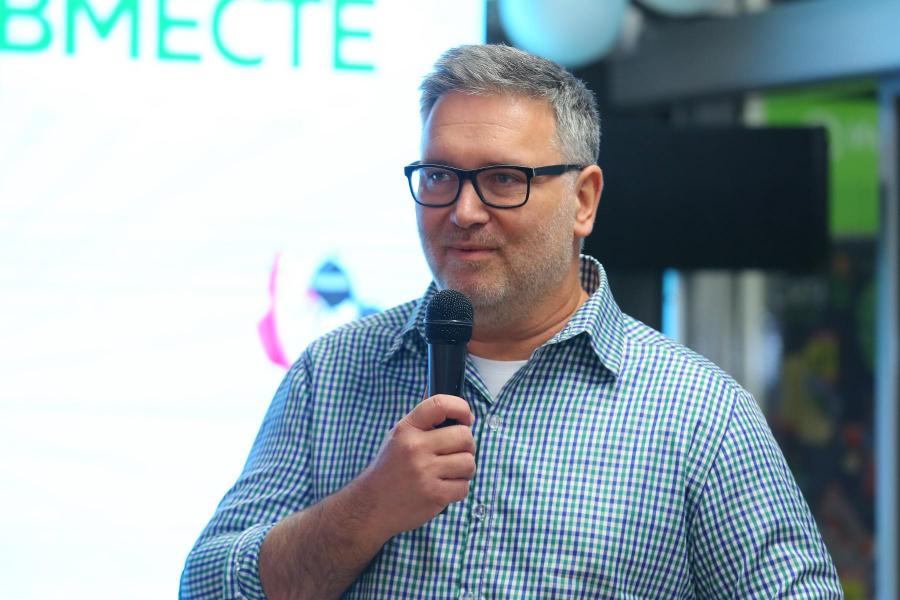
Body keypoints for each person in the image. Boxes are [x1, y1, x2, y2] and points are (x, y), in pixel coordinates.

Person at [180, 44, 842, 599]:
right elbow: (206, 587)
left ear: (583, 200)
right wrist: (368, 509)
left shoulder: (698, 414)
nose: (463, 211)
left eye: (502, 179)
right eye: (439, 176)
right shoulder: (332, 375)